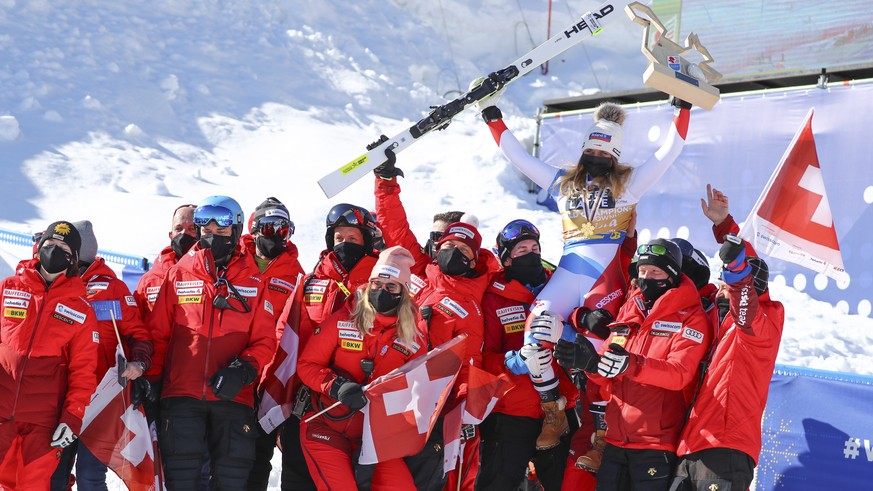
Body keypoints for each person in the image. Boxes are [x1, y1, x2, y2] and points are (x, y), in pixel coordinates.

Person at [476, 89, 694, 446]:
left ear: (615, 157)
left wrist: (682, 107)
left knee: (601, 346)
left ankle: (603, 433)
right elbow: (516, 156)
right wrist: (490, 113)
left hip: (604, 278)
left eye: (603, 153)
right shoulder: (564, 183)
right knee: (535, 335)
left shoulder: (630, 184)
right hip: (568, 271)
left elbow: (669, 152)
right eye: (590, 151)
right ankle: (554, 410)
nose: (594, 158)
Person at [372, 157, 492, 490]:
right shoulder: (423, 270)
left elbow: (470, 360)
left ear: (473, 260)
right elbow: (394, 227)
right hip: (389, 390)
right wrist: (385, 183)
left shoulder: (471, 304)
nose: (454, 251)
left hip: (431, 405)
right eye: (448, 245)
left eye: (463, 250)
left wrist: (465, 407)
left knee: (420, 478)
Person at [554, 238, 711, 491]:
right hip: (615, 441)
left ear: (671, 276)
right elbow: (608, 374)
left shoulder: (691, 318)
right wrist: (589, 364)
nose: (647, 277)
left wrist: (631, 364)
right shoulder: (631, 309)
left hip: (655, 444)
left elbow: (679, 374)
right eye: (643, 271)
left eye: (655, 272)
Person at [147, 196, 276, 489]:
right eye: (207, 233)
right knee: (181, 481)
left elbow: (266, 340)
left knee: (230, 482)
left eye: (221, 233)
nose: (212, 238)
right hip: (181, 397)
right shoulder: (178, 274)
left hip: (233, 398)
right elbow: (158, 334)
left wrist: (243, 370)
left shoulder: (255, 281)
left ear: (236, 232)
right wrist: (153, 382)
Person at [669, 186, 785, 491]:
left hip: (727, 446)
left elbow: (745, 298)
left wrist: (737, 270)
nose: (725, 284)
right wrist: (725, 227)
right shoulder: (712, 320)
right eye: (725, 277)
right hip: (690, 442)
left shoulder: (762, 324)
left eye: (734, 279)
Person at [480, 219, 598, 490]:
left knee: (567, 484)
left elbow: (589, 335)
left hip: (559, 408)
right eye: (522, 251)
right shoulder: (493, 297)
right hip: (510, 413)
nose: (532, 254)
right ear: (507, 259)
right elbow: (481, 357)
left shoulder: (558, 286)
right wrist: (514, 361)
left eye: (535, 248)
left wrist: (567, 335)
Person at [297, 246, 426, 490]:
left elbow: (419, 387)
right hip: (327, 426)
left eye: (391, 287)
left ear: (403, 292)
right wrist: (336, 386)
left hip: (377, 438)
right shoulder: (343, 320)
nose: (381, 291)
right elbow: (307, 365)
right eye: (377, 283)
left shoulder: (414, 337)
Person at [277, 202, 381, 491]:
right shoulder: (311, 282)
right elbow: (284, 338)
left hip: (360, 411)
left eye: (352, 238)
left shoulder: (382, 286)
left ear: (367, 240)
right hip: (307, 407)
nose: (344, 244)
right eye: (339, 238)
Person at [49, 221, 155, 491]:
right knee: (55, 475)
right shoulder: (52, 284)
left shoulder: (112, 288)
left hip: (100, 401)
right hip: (59, 400)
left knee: (89, 476)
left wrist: (139, 364)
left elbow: (138, 334)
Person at [0, 221, 99, 490]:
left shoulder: (80, 308)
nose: (54, 251)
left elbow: (84, 371)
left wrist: (72, 417)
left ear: (74, 258)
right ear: (39, 247)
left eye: (63, 248)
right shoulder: (8, 288)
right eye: (49, 245)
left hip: (44, 423)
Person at [241, 198, 306, 491]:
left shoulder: (296, 274)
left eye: (284, 229)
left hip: (269, 379)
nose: (276, 235)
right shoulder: (235, 260)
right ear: (254, 229)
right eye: (269, 227)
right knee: (226, 457)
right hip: (232, 371)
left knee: (259, 455)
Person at [134, 204, 197, 318]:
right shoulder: (149, 280)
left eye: (191, 229)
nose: (184, 233)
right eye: (178, 229)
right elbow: (135, 321)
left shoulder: (212, 275)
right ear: (170, 235)